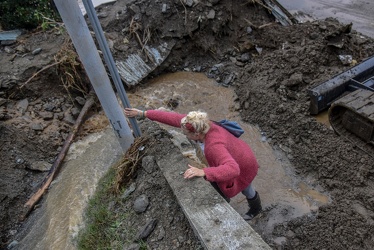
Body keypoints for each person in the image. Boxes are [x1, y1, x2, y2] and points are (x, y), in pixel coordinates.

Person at [124, 107, 262, 220]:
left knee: (243, 187)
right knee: (245, 186)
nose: (185, 135)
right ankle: (253, 208)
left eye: (186, 134)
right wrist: (143, 113)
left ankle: (254, 210)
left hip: (242, 164)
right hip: (240, 153)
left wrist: (204, 172)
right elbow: (173, 118)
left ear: (196, 135)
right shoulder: (200, 123)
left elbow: (233, 169)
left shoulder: (213, 146)